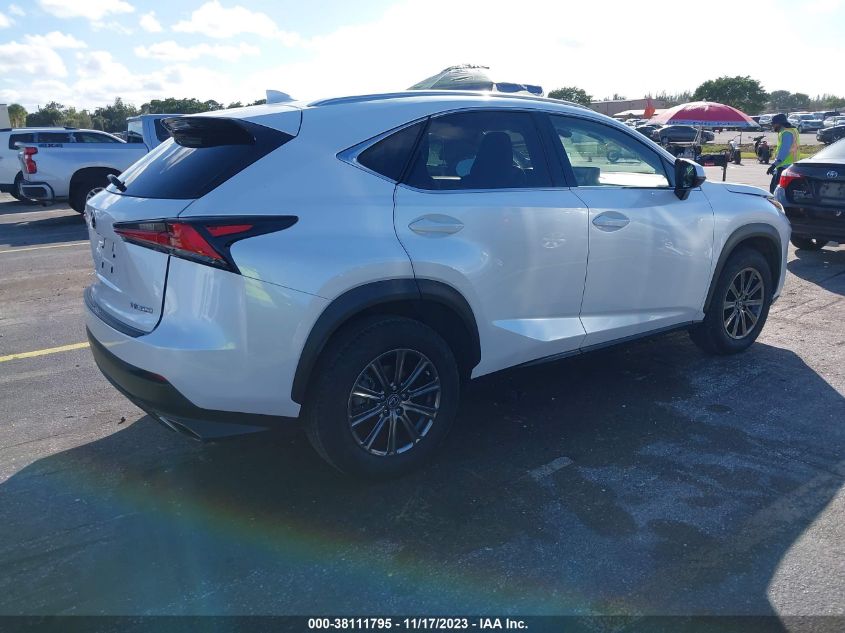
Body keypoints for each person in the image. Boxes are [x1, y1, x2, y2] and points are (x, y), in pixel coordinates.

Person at [766, 113, 800, 193]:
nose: (772, 126)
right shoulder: (792, 130)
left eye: (773, 124)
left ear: (779, 123)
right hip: (789, 165)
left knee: (775, 192)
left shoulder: (786, 133)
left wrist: (774, 165)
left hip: (784, 166)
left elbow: (784, 151)